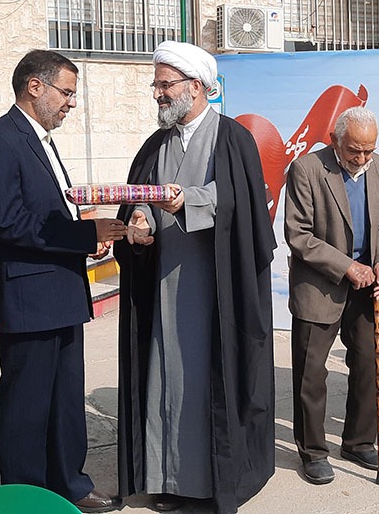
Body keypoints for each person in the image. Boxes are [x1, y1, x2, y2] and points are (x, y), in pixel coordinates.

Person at [114, 41, 276, 514]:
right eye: (156, 85)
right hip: (162, 283)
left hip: (216, 288)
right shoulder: (155, 144)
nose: (158, 93)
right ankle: (166, 479)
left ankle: (209, 485)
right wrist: (139, 219)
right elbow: (139, 196)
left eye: (166, 85)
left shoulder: (233, 138)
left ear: (197, 87)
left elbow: (243, 204)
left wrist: (190, 201)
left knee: (207, 384)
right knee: (163, 380)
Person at [0, 51, 126, 513]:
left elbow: (48, 212)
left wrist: (87, 239)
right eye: (66, 92)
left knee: (65, 400)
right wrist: (83, 234)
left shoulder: (40, 140)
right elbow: (8, 221)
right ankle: (24, 498)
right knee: (27, 405)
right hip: (25, 296)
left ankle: (69, 485)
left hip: (60, 289)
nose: (71, 103)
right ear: (35, 87)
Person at [284, 107, 379, 485]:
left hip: (367, 285)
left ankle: (359, 441)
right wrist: (348, 267)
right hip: (320, 286)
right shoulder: (307, 169)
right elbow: (299, 235)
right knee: (311, 374)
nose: (361, 159)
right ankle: (313, 451)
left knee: (369, 365)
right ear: (335, 140)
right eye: (354, 150)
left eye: (368, 150)